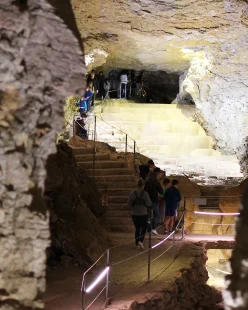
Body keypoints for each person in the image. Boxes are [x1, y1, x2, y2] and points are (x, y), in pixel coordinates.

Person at [128, 179, 152, 250]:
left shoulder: (132, 193)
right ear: (143, 185)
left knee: (137, 228)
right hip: (143, 214)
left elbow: (129, 203)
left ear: (137, 185)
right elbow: (149, 204)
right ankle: (140, 241)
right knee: (144, 228)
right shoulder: (145, 194)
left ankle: (137, 244)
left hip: (135, 214)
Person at [144, 168, 163, 235]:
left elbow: (145, 191)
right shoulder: (156, 182)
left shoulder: (147, 182)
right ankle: (153, 228)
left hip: (147, 201)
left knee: (148, 215)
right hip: (154, 200)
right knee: (156, 215)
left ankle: (148, 229)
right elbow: (161, 191)